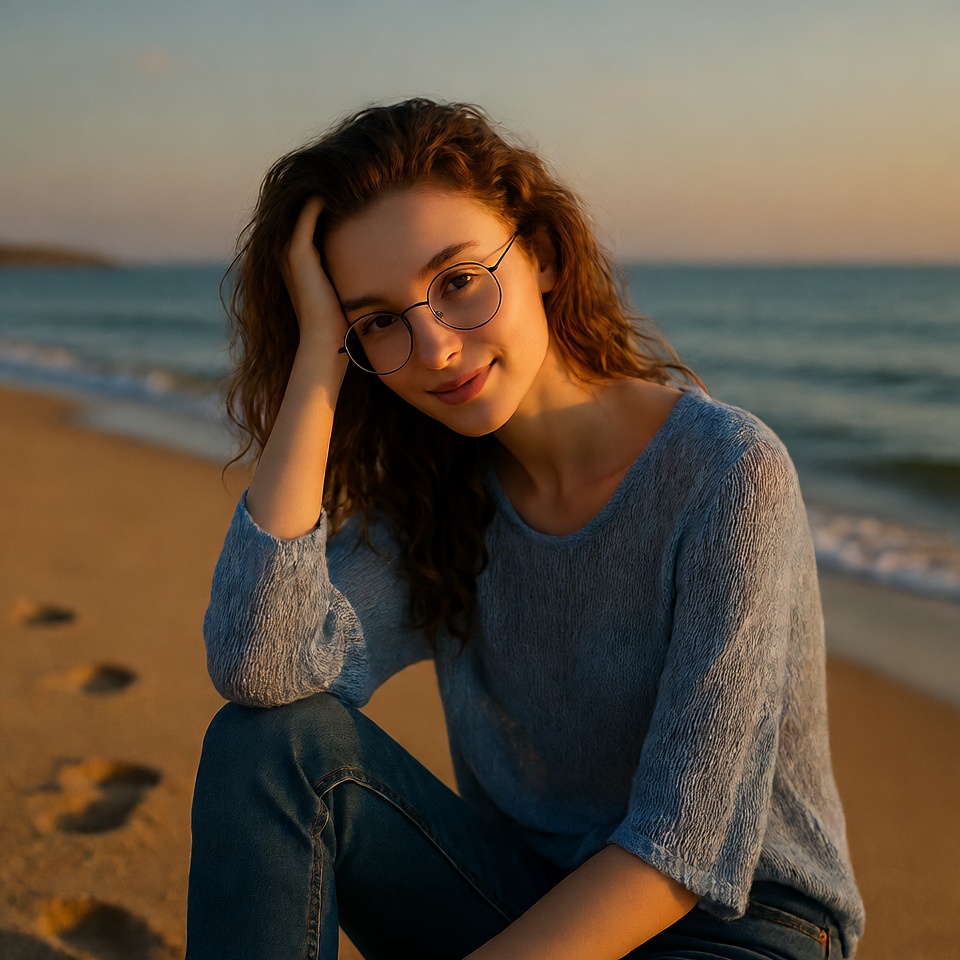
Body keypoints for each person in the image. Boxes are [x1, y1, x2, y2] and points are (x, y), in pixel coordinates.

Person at [186, 98, 864, 959]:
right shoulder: (437, 501)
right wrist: (319, 359)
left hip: (736, 928)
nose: (432, 348)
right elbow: (262, 667)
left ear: (539, 254)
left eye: (459, 281)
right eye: (379, 321)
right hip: (518, 901)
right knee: (268, 744)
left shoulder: (728, 473)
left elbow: (681, 850)